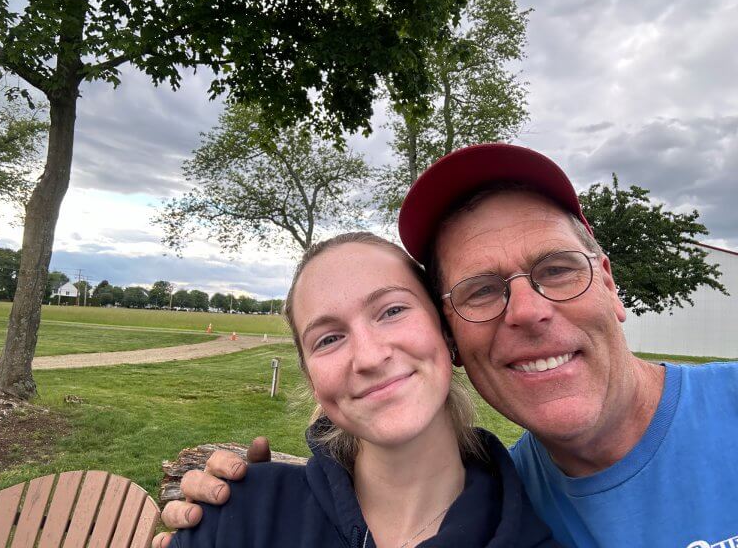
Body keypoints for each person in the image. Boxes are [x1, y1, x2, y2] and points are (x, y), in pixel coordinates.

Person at [156, 144, 738, 548]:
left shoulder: (513, 525)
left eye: (558, 270)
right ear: (453, 337)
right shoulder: (521, 496)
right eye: (481, 291)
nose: (529, 311)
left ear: (611, 284)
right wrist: (245, 508)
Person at [168, 232, 557, 548]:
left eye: (392, 311)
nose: (369, 357)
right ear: (313, 381)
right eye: (329, 338)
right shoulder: (236, 517)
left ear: (446, 333)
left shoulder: (532, 535)